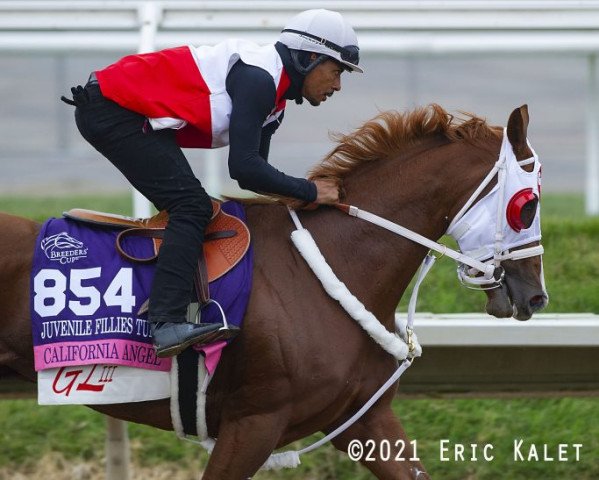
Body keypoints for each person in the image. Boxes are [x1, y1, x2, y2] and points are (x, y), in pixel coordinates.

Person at [62, 9, 363, 358]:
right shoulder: (259, 80)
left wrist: (303, 195)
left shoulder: (275, 101)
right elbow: (246, 168)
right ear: (310, 57)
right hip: (110, 108)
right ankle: (166, 323)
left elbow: (253, 174)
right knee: (192, 206)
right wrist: (309, 190)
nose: (338, 85)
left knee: (193, 204)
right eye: (337, 71)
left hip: (124, 110)